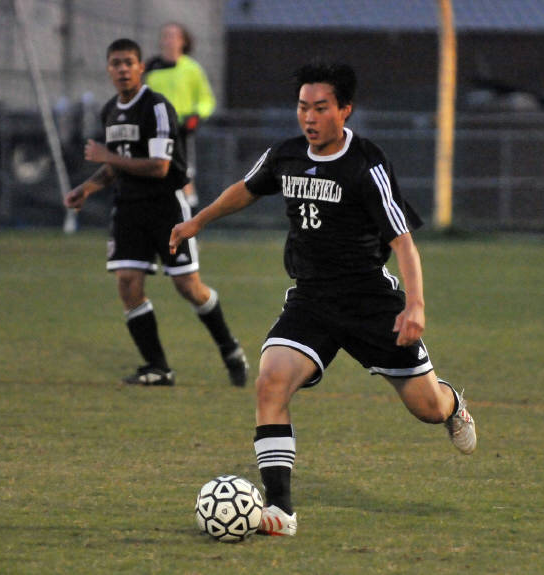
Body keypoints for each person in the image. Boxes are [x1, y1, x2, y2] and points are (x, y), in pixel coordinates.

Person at [170, 62, 477, 536]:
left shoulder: (367, 164)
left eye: (320, 108)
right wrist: (198, 220)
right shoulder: (287, 155)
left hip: (370, 304)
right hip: (311, 301)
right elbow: (246, 191)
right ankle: (280, 511)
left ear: (344, 110)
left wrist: (415, 304)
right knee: (270, 383)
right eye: (302, 108)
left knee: (427, 409)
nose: (309, 118)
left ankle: (453, 404)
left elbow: (402, 242)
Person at [64, 38, 248, 387]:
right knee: (127, 283)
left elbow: (159, 166)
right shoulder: (110, 111)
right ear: (108, 69)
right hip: (128, 208)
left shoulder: (157, 107)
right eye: (116, 63)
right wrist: (85, 189)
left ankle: (230, 347)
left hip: (165, 207)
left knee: (188, 287)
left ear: (140, 68)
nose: (122, 69)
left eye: (128, 63)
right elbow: (117, 164)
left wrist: (108, 156)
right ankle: (158, 367)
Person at [145, 22, 216, 210]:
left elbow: (206, 100)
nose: (169, 40)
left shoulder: (191, 69)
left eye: (174, 36)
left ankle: (191, 214)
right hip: (154, 131)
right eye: (165, 36)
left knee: (184, 174)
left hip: (181, 130)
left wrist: (195, 117)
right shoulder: (151, 68)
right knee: (153, 173)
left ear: (183, 41)